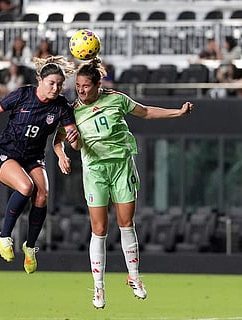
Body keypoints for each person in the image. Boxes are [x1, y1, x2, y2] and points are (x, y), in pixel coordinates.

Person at [53, 58, 193, 309]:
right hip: (95, 171)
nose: (81, 90)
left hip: (122, 167)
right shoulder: (73, 110)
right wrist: (65, 153)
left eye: (86, 86)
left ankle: (135, 277)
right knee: (99, 229)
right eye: (78, 86)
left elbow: (147, 112)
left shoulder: (116, 99)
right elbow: (61, 140)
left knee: (126, 223)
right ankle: (98, 287)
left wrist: (178, 113)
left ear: (98, 85)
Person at [0, 55, 79, 274]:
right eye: (51, 83)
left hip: (33, 158)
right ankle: (4, 236)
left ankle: (30, 247)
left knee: (43, 194)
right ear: (40, 80)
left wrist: (68, 145)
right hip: (6, 154)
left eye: (59, 84)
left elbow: (67, 133)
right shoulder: (23, 94)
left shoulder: (61, 106)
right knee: (26, 187)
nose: (55, 88)